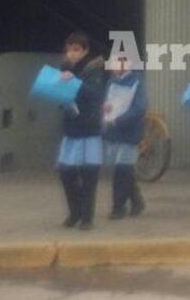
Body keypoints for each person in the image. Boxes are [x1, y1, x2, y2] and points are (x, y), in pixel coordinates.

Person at [57, 32, 106, 231]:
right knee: (66, 171)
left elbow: (95, 94)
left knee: (89, 173)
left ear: (84, 50)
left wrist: (74, 82)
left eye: (76, 49)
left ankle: (87, 217)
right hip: (71, 127)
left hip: (89, 128)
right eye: (69, 49)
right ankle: (75, 211)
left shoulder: (94, 69)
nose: (72, 53)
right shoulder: (64, 68)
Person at [103, 65, 147, 220]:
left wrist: (120, 120)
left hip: (128, 132)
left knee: (122, 170)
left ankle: (118, 207)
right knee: (122, 169)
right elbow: (106, 101)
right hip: (113, 131)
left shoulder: (136, 82)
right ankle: (136, 200)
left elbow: (140, 108)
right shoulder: (111, 82)